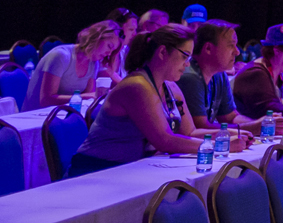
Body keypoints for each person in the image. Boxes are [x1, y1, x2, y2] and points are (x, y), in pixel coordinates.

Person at [69, 24, 246, 174]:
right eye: (185, 56)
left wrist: (229, 135)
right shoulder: (137, 86)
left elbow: (189, 133)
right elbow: (165, 140)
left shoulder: (171, 87)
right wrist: (221, 146)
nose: (187, 64)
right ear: (162, 52)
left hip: (127, 170)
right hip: (96, 172)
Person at [177, 19, 257, 133]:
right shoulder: (190, 77)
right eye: (231, 45)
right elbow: (200, 127)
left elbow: (230, 117)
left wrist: (263, 124)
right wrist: (254, 128)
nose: (237, 52)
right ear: (208, 48)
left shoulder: (219, 74)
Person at [26, 20, 121, 109]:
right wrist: (86, 97)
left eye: (112, 51)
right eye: (109, 46)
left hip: (60, 117)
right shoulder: (61, 55)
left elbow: (88, 100)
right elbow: (46, 100)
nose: (109, 53)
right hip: (34, 118)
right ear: (97, 38)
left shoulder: (93, 63)